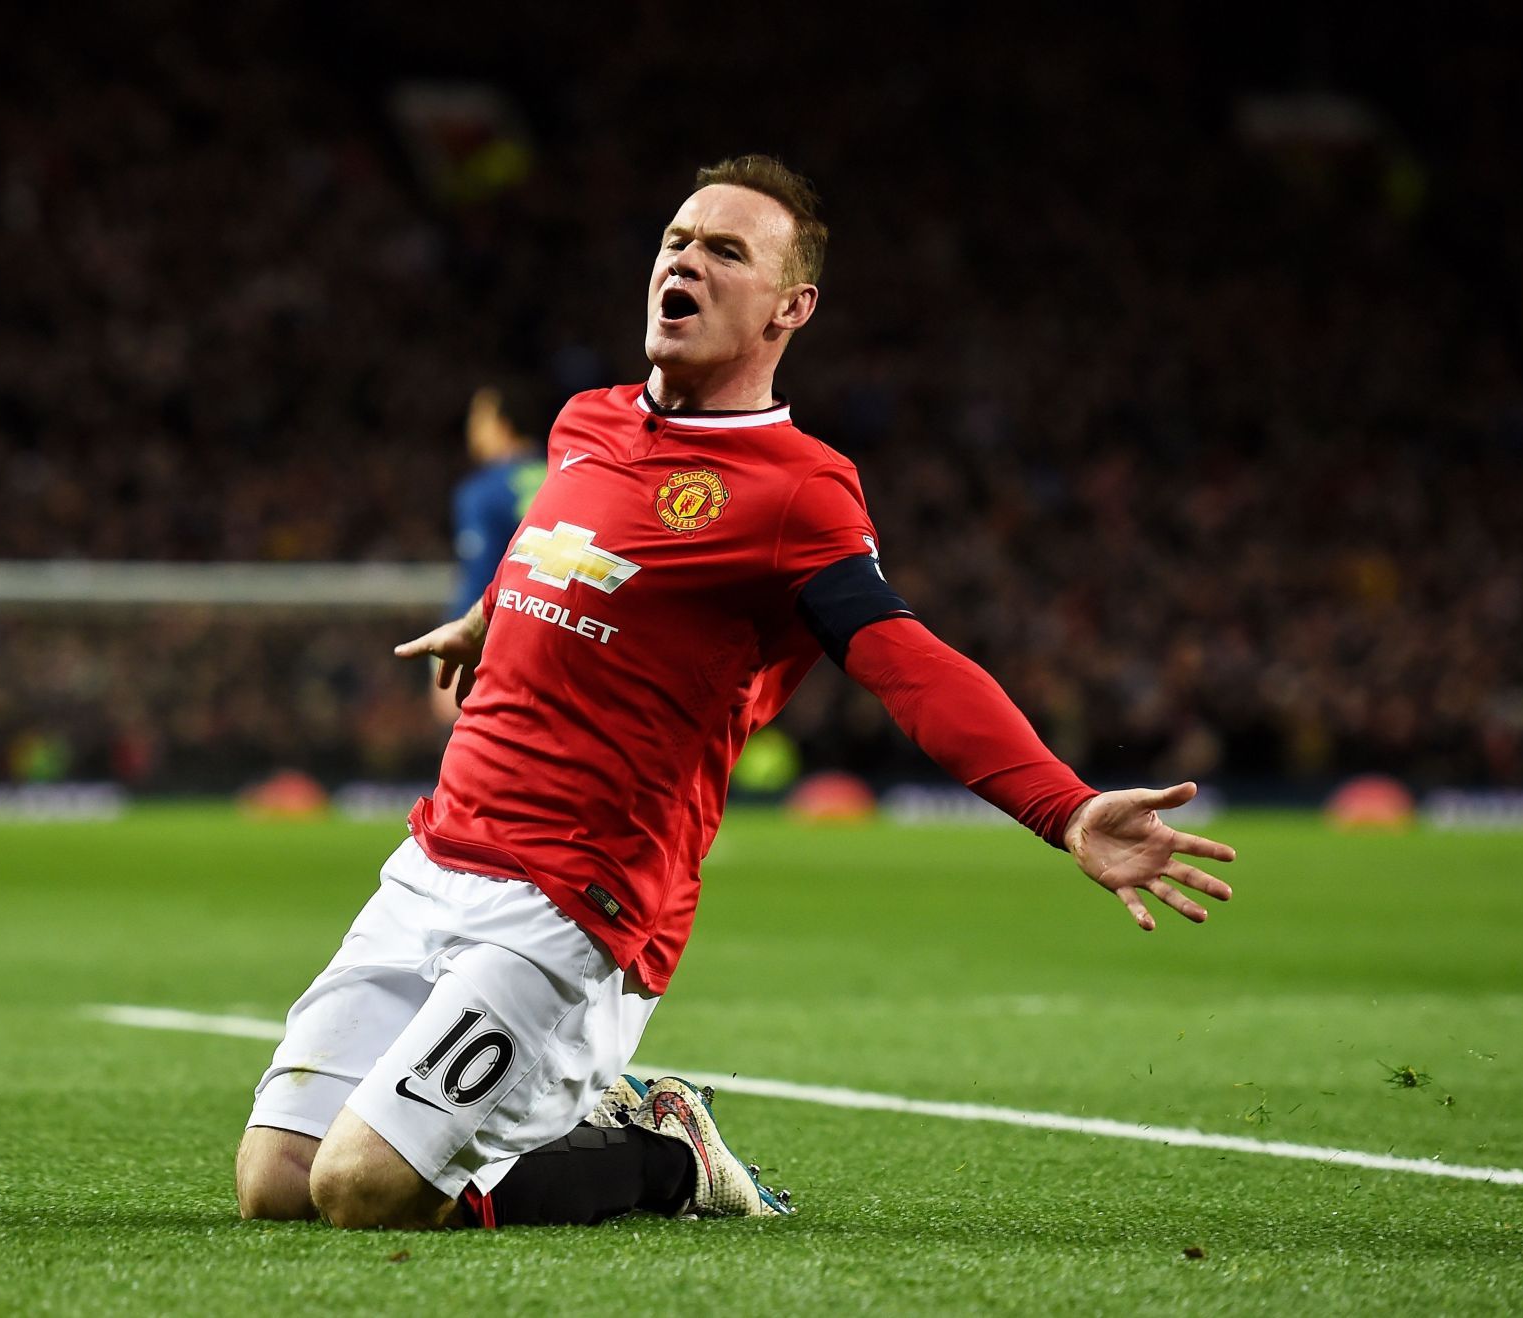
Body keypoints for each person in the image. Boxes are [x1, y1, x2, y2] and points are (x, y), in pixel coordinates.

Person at [234, 155, 1237, 1231]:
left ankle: (665, 1154)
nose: (686, 262)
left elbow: (902, 655)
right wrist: (491, 617)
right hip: (440, 854)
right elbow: (564, 546)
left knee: (362, 1191)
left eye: (726, 251)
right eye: (676, 241)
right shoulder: (587, 422)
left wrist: (1063, 804)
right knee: (277, 1185)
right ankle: (553, 1117)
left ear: (791, 307)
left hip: (578, 900)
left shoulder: (796, 488)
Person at [431, 389, 547, 724]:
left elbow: (478, 581)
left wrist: (449, 657)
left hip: (501, 657)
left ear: (503, 424)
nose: (472, 430)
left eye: (478, 419)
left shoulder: (481, 493)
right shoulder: (566, 475)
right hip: (563, 646)